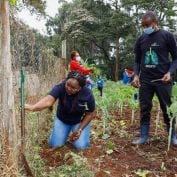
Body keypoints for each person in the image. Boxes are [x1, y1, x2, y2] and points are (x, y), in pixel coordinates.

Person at [131, 11, 177, 145]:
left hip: (163, 80)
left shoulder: (167, 36)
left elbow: (175, 59)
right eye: (143, 26)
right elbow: (137, 61)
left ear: (155, 23)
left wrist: (170, 73)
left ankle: (172, 136)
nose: (145, 28)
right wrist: (135, 75)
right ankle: (144, 136)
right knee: (145, 108)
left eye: (147, 25)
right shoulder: (141, 39)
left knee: (166, 108)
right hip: (145, 80)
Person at [25, 71, 95, 149]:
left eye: (73, 88)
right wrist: (33, 107)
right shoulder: (60, 87)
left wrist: (80, 129)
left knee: (81, 147)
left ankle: (75, 132)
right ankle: (60, 133)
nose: (68, 88)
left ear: (79, 88)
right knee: (55, 145)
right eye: (67, 84)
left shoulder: (87, 94)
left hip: (78, 121)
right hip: (62, 120)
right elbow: (48, 101)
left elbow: (90, 114)